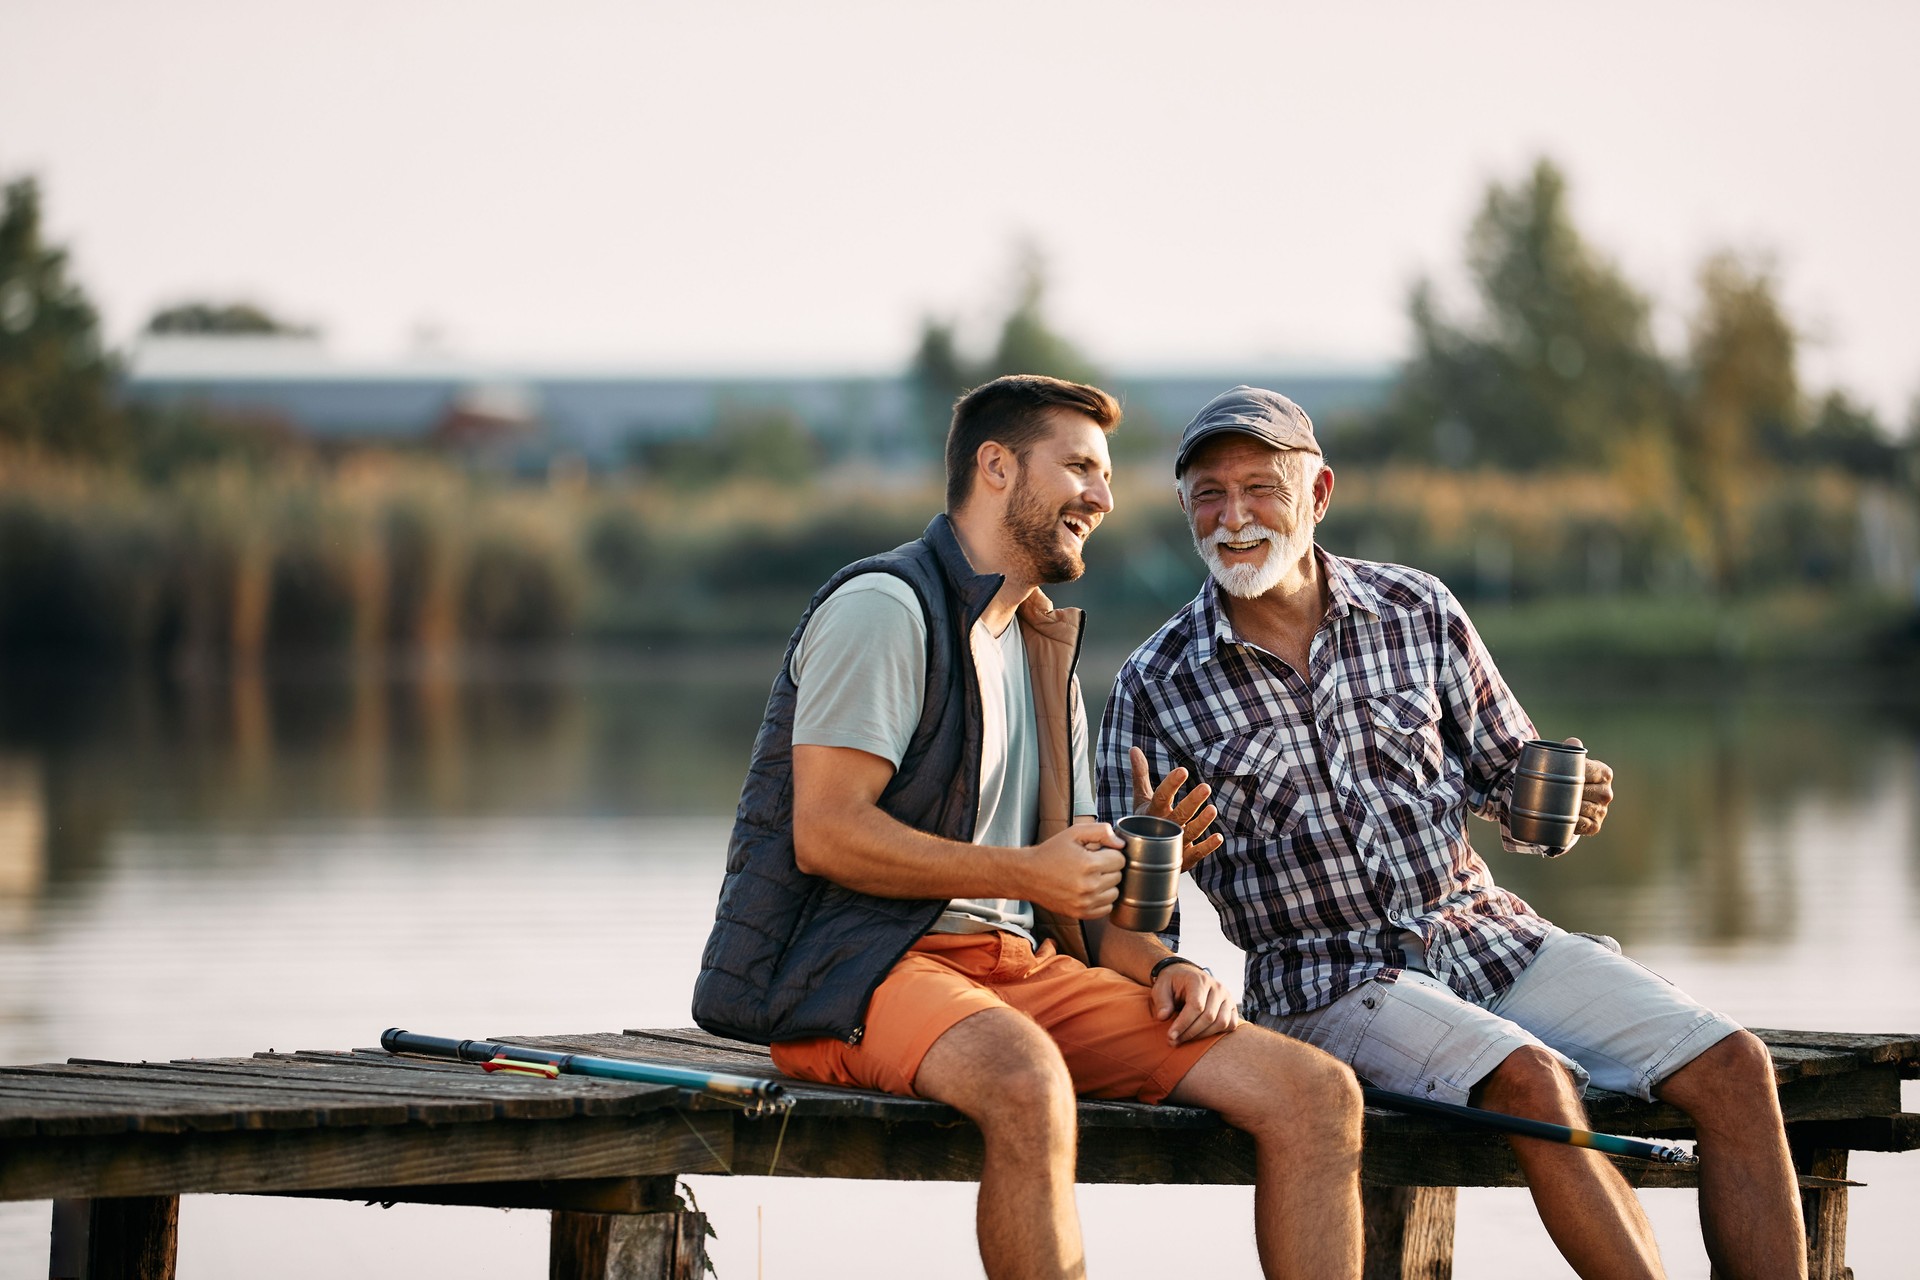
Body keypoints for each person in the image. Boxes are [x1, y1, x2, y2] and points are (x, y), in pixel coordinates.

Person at [1096, 385, 1806, 1280]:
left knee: (1738, 1066)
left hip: (1488, 937)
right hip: (1327, 981)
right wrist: (1156, 883)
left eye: (1260, 490)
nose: (1233, 518)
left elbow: (1509, 771)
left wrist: (1554, 800)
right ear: (1186, 509)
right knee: (1534, 1079)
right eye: (1209, 494)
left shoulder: (1418, 608)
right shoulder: (1154, 685)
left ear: (1317, 496)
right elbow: (1125, 929)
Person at [694, 374, 1364, 1280]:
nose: (1104, 495)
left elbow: (1074, 896)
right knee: (1029, 1081)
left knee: (1314, 1094)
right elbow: (827, 834)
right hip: (855, 972)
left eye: (1107, 474)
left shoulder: (1044, 644)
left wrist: (1164, 961)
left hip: (1017, 973)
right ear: (998, 467)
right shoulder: (886, 607)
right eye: (1080, 467)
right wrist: (1026, 874)